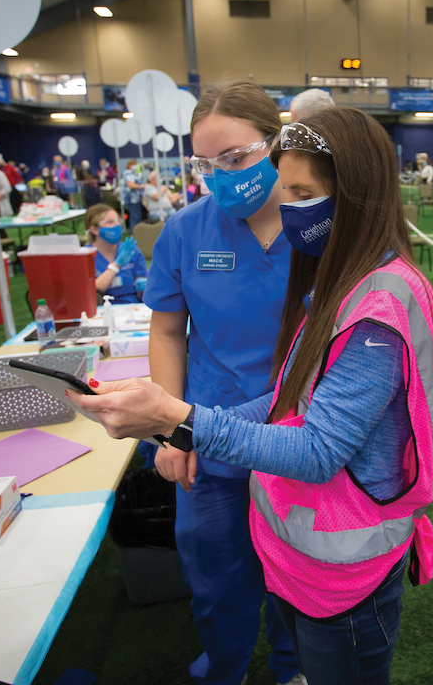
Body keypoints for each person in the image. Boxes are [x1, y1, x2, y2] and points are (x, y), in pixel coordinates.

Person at [75, 106, 433, 685]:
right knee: (238, 596)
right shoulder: (334, 285)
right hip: (313, 550)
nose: (288, 205)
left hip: (343, 566)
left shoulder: (374, 308)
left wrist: (180, 417)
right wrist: (177, 420)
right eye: (285, 187)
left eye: (301, 190)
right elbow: (286, 398)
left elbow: (318, 448)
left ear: (357, 193)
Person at [130, 83, 302, 685]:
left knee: (297, 573)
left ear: (278, 145)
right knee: (215, 572)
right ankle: (225, 666)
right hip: (208, 435)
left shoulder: (321, 229)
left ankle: (291, 669)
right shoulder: (186, 231)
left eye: (235, 158)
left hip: (299, 439)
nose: (221, 176)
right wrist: (171, 429)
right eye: (206, 164)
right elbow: (168, 333)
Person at [81, 204, 148, 304]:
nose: (117, 225)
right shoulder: (85, 256)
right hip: (102, 309)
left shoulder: (130, 250)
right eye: (110, 222)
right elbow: (92, 293)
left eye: (118, 221)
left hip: (132, 308)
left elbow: (144, 296)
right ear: (94, 229)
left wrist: (144, 289)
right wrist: (117, 264)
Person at [120, 159, 146, 228]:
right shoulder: (128, 173)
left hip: (135, 199)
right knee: (135, 217)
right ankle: (135, 234)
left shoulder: (133, 174)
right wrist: (143, 186)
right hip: (132, 199)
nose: (136, 166)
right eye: (135, 164)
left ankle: (135, 233)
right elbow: (131, 185)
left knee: (135, 217)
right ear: (130, 165)